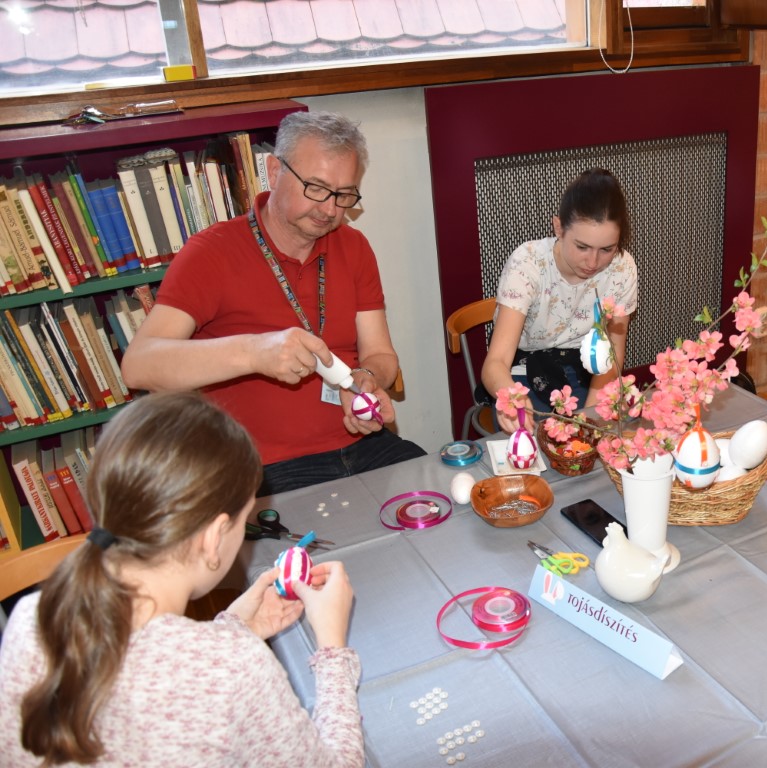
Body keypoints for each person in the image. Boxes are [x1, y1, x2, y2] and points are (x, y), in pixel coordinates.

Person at [0, 392, 362, 766]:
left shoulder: (31, 618)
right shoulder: (237, 671)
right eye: (244, 520)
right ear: (214, 537)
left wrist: (235, 629)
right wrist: (332, 650)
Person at [121, 111, 425, 496]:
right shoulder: (211, 253)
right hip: (263, 467)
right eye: (316, 188)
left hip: (364, 446)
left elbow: (381, 354)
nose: (330, 210)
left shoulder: (354, 247)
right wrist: (254, 352)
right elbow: (138, 366)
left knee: (438, 504)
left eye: (344, 195)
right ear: (274, 170)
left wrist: (366, 378)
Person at [481, 167, 638, 434]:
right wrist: (511, 398)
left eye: (607, 249)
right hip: (526, 369)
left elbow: (613, 354)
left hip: (589, 369)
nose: (593, 262)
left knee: (608, 437)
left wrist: (589, 420)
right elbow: (495, 363)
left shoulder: (622, 268)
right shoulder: (528, 264)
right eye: (582, 247)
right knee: (539, 438)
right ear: (558, 227)